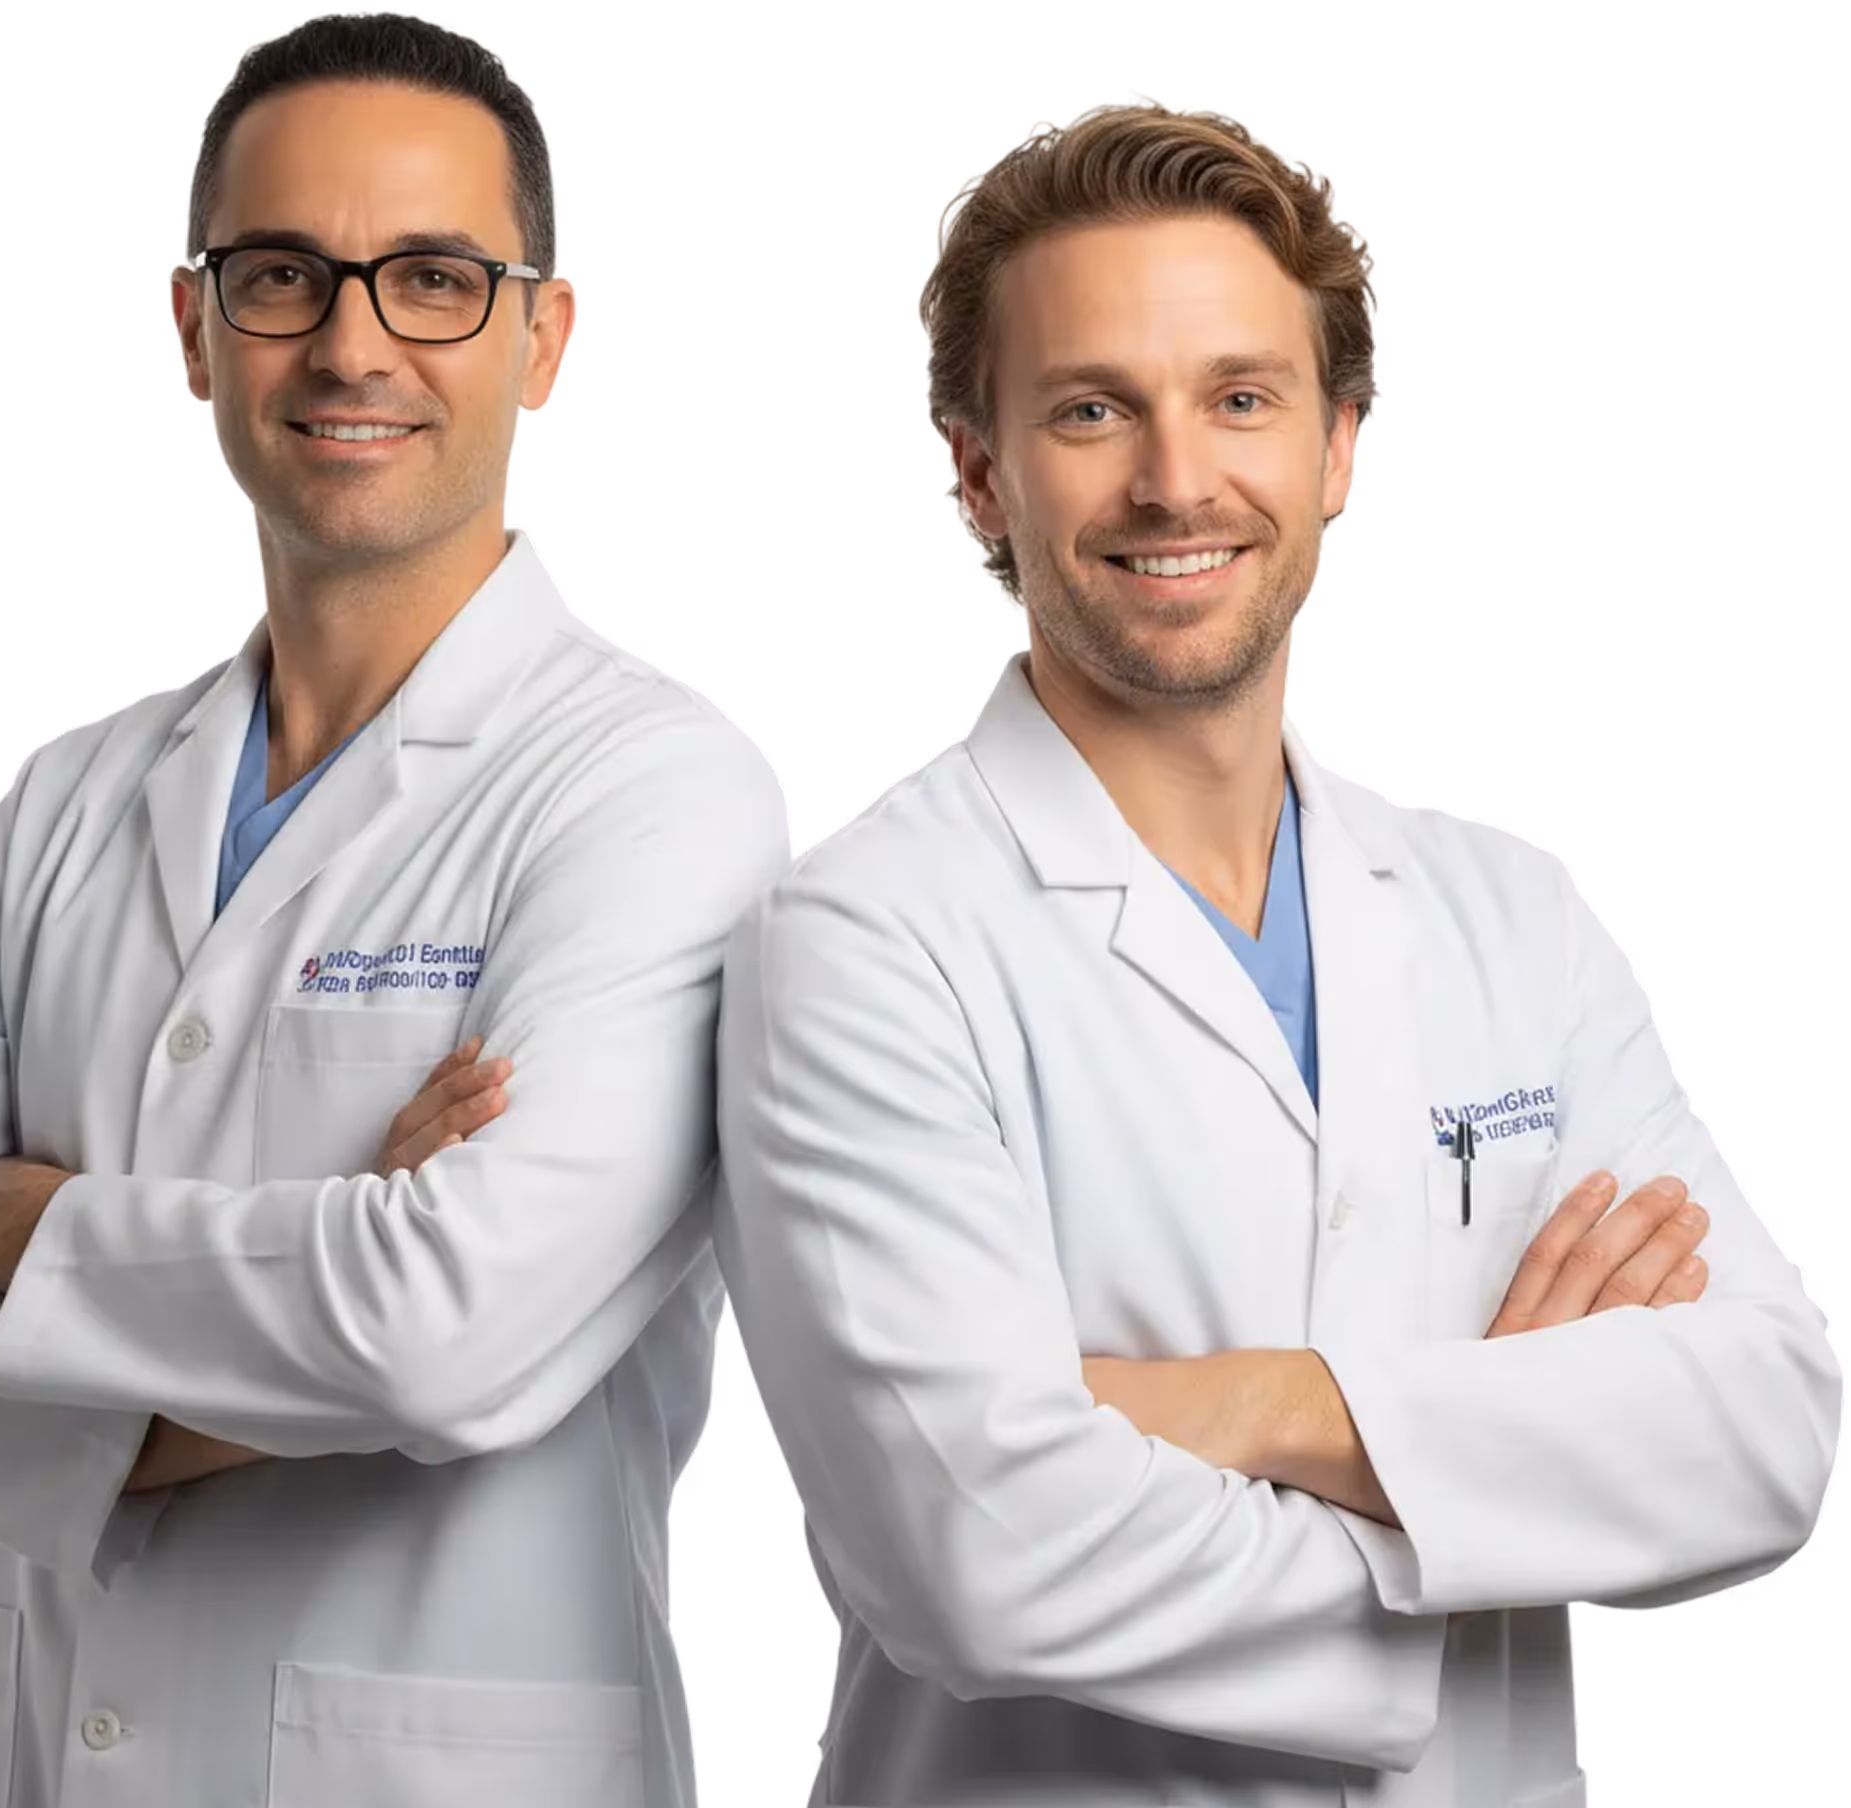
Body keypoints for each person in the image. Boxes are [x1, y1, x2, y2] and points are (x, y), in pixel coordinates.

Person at [712, 95, 1840, 1806]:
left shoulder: (1506, 910)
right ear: (979, 474)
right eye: (1091, 408)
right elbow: (973, 1555)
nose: (1176, 480)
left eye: (1239, 398)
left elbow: (1764, 1431)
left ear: (1337, 448)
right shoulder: (859, 939)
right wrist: (1496, 1482)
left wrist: (1261, 1407)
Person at [0, 15, 789, 1807]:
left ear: (543, 339)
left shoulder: (660, 789)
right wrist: (334, 1278)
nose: (350, 344)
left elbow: (448, 1331)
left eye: (434, 280)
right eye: (279, 277)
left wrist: (20, 1225)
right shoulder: (70, 794)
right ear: (194, 331)